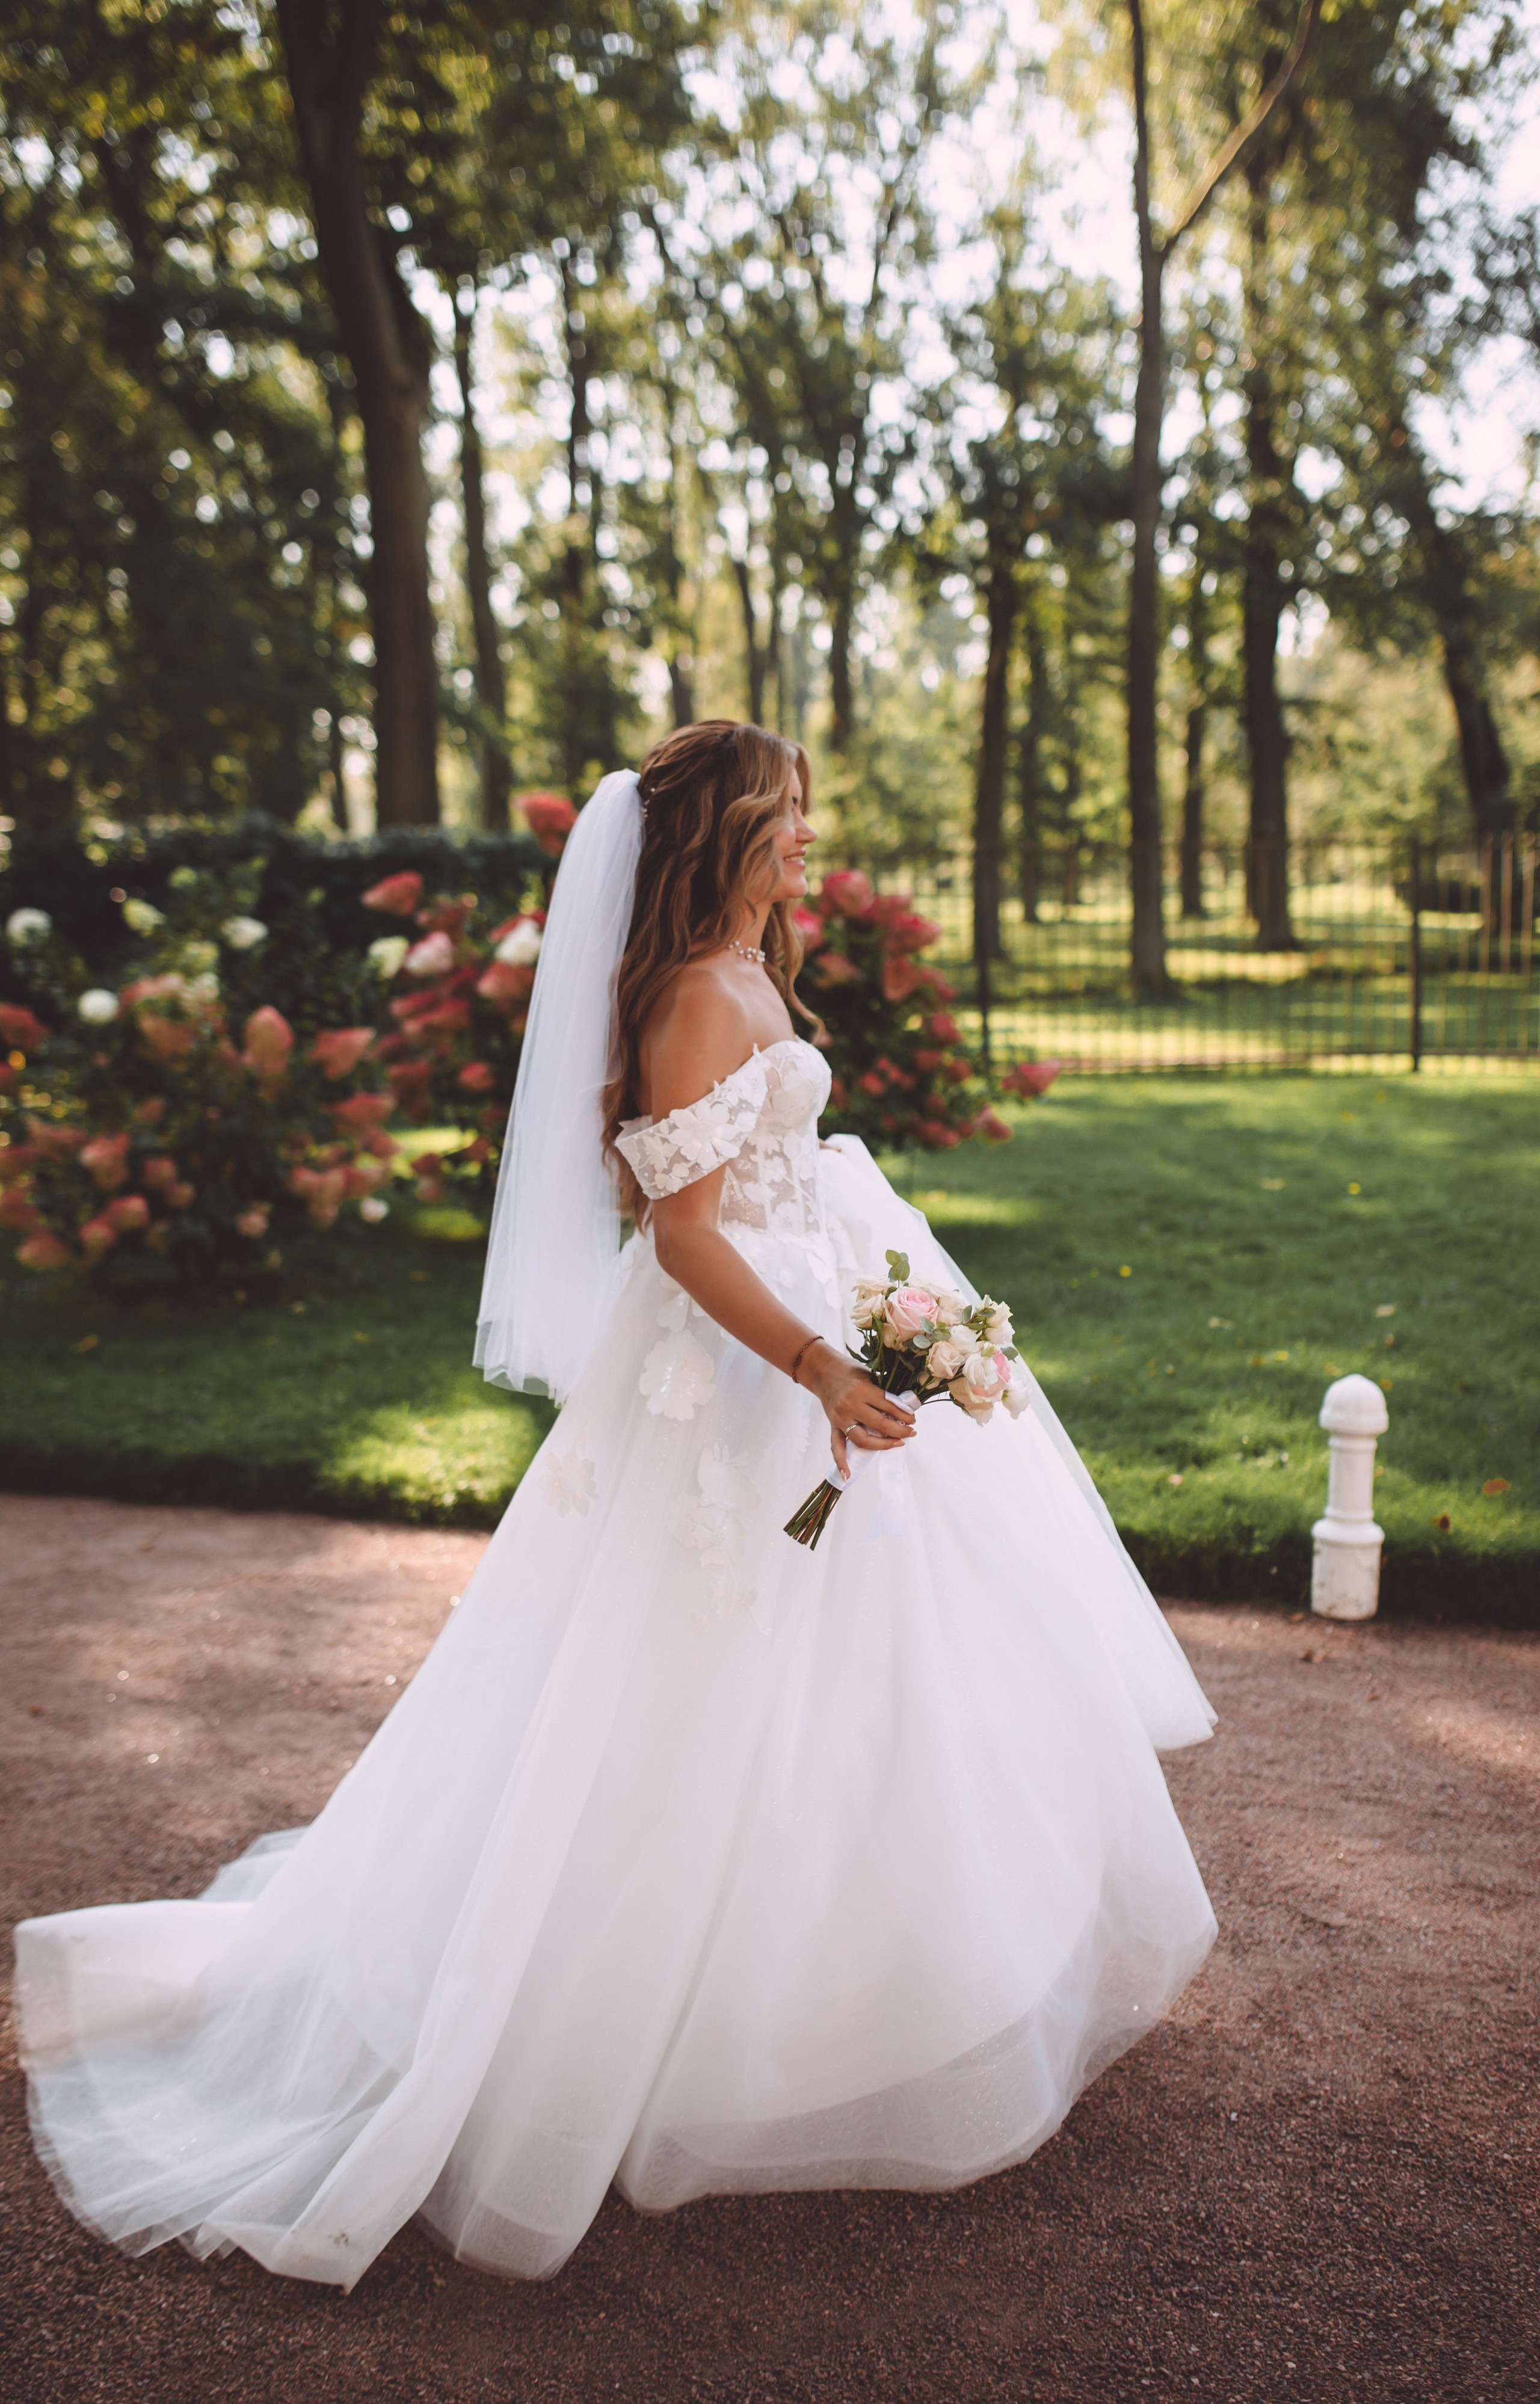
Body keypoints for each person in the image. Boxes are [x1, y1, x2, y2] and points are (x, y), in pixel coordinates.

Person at [15, 721, 1216, 2290]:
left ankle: (877, 1989)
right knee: (712, 1678)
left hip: (817, 1323)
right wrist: (814, 1363)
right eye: (781, 823)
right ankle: (655, 2028)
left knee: (881, 1662)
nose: (807, 846)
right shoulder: (694, 999)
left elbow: (766, 1176)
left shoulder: (749, 965)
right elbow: (685, 1233)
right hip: (741, 1375)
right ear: (714, 842)